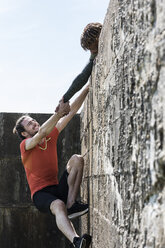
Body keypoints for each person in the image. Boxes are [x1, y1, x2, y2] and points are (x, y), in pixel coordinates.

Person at [13, 23, 102, 248]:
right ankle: (76, 241)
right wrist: (57, 112)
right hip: (42, 195)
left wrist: (87, 89)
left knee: (77, 159)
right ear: (24, 133)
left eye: (33, 119)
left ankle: (72, 202)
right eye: (29, 123)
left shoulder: (50, 135)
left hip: (58, 186)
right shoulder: (26, 146)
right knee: (57, 207)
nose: (34, 123)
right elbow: (43, 130)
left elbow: (70, 113)